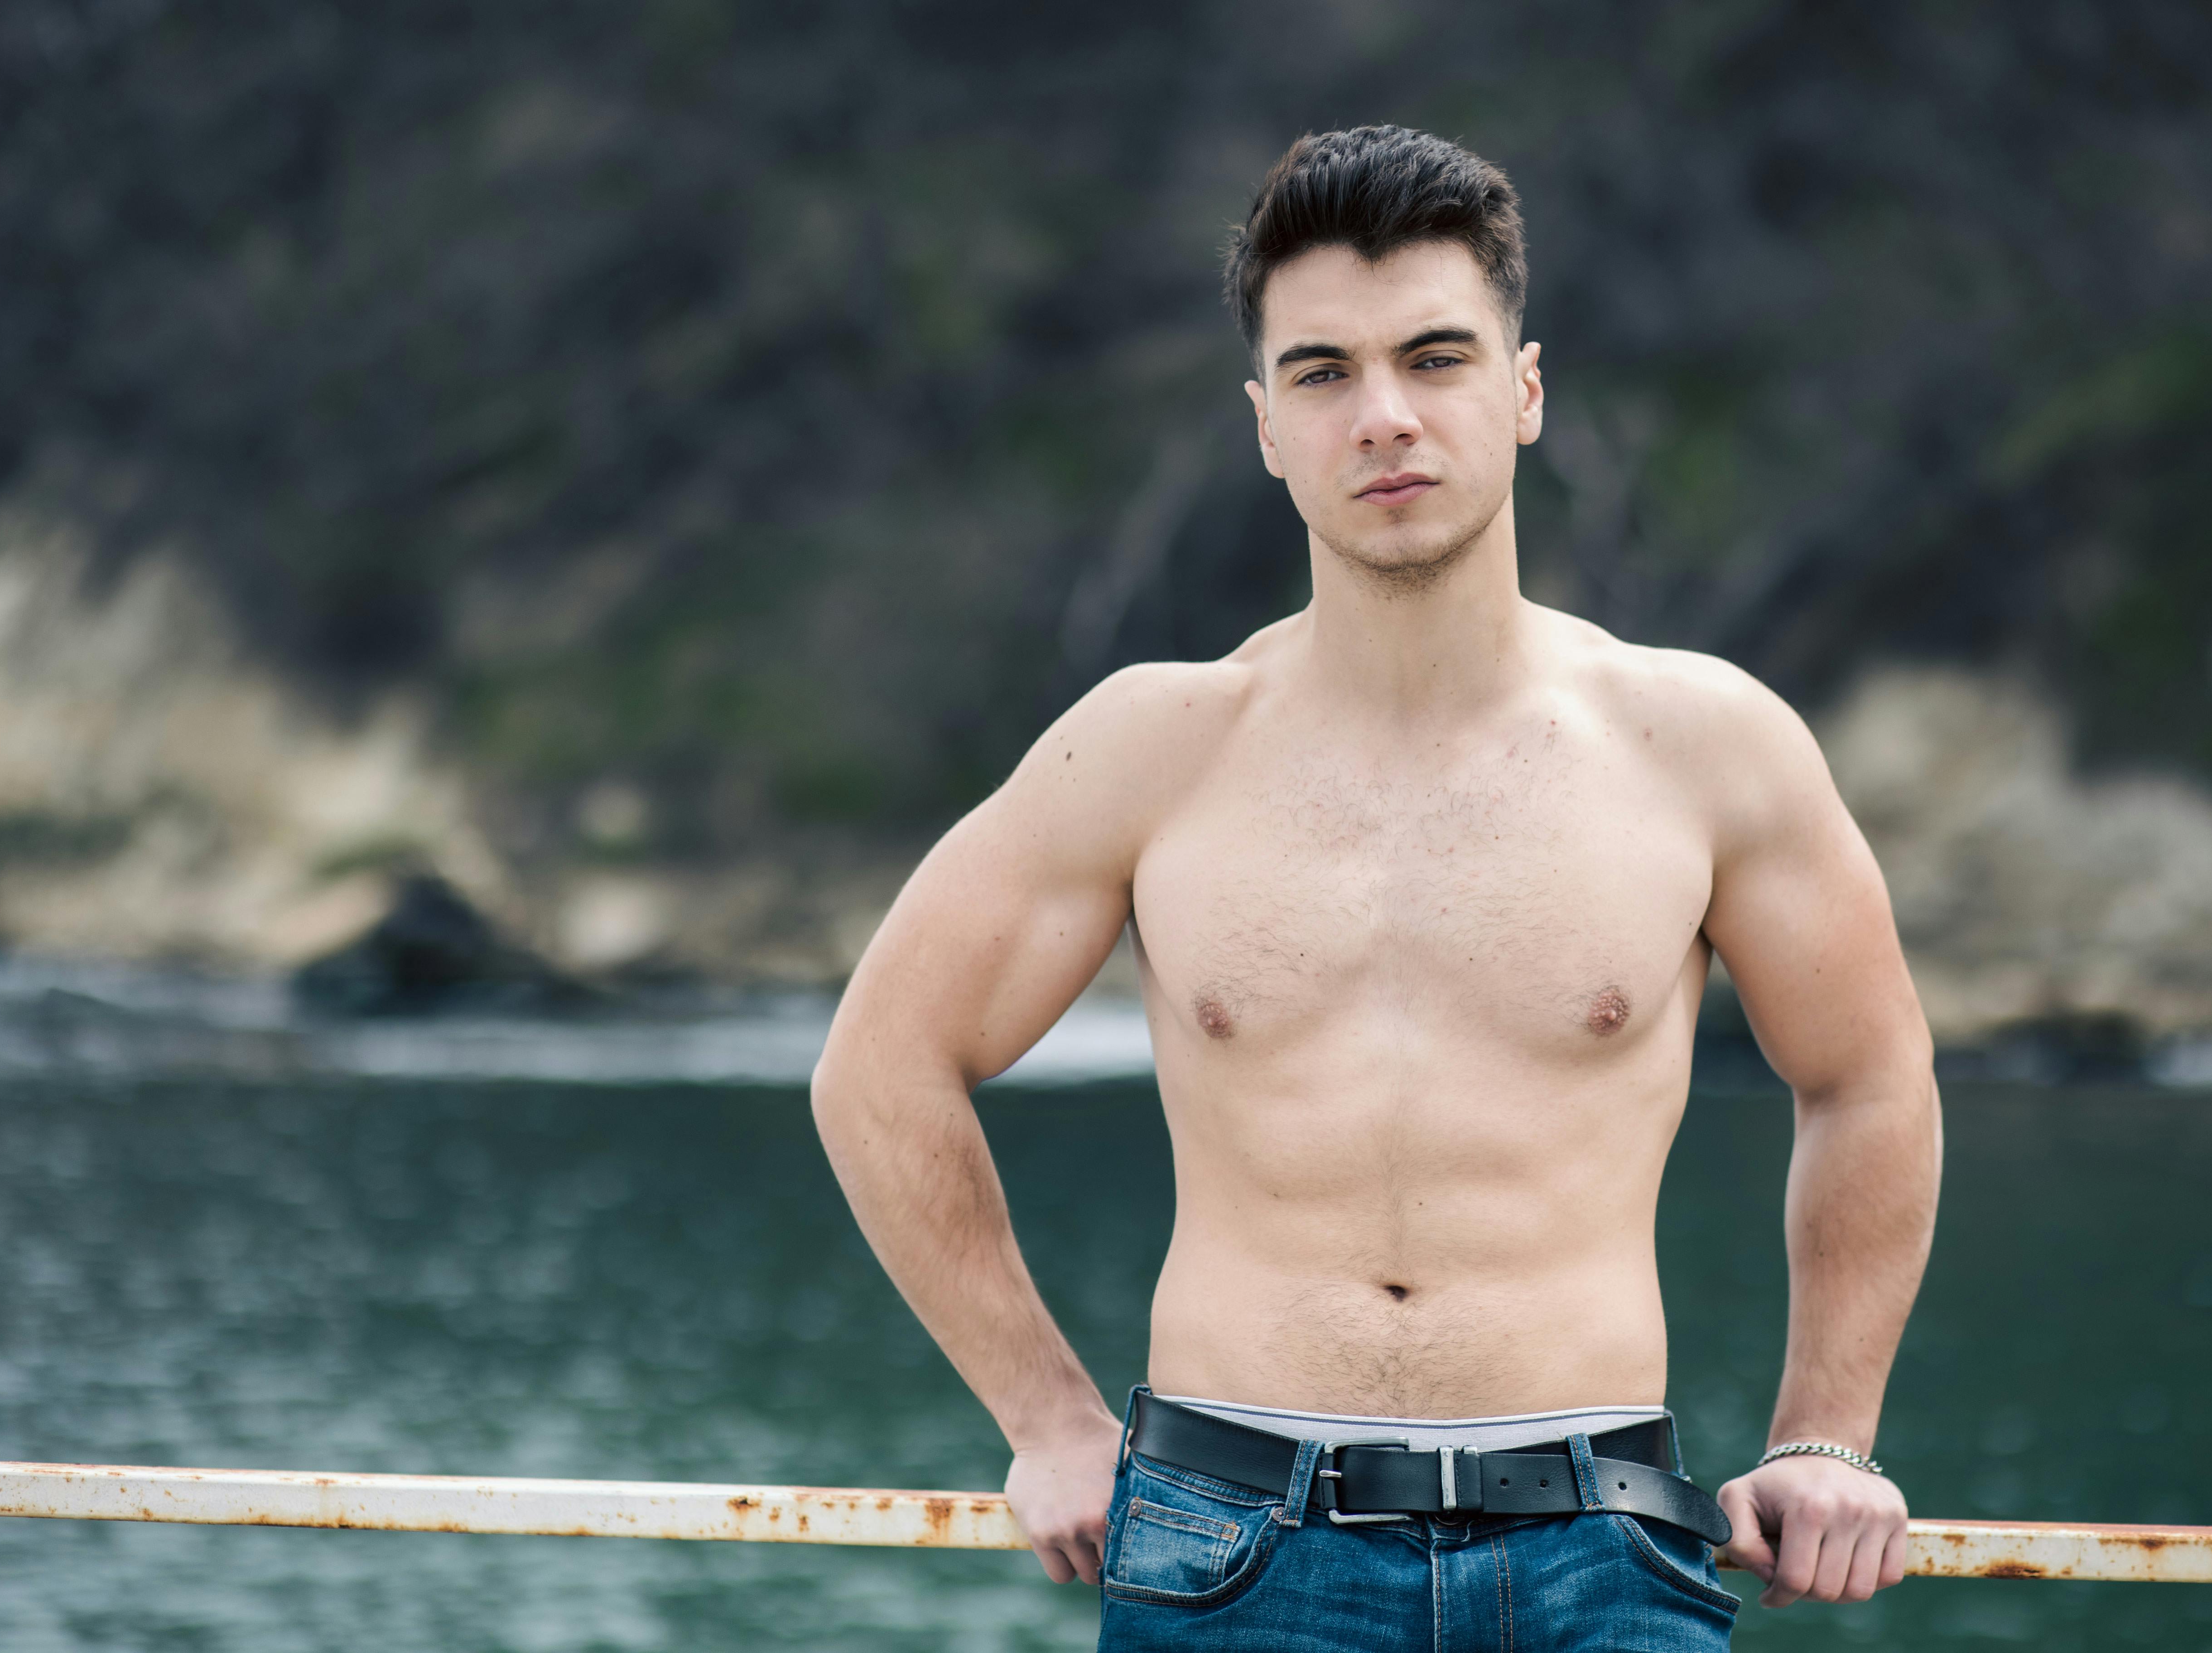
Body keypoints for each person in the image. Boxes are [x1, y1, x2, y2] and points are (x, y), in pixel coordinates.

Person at [811, 125, 1942, 1651]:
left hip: (1602, 1553)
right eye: (1325, 374)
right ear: (1266, 426)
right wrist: (1049, 1420)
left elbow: (1869, 1077)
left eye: (1436, 357)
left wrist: (1826, 1432)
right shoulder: (1154, 747)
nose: (1386, 418)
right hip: (1231, 1546)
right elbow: (880, 1068)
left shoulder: (1707, 747)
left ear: (1525, 391)